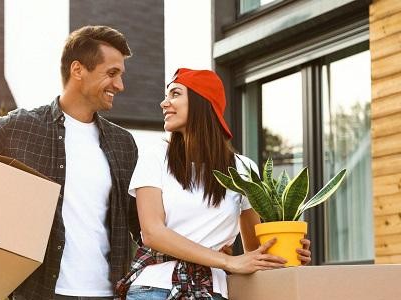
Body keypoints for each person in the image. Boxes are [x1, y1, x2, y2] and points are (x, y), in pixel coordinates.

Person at [0, 25, 138, 300]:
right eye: (111, 74)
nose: (120, 86)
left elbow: (142, 225)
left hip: (108, 294)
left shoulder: (123, 144)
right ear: (78, 70)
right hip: (38, 292)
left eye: (120, 75)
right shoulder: (23, 127)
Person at [122, 68, 312, 300]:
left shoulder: (242, 168)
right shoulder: (155, 157)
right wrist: (228, 261)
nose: (164, 103)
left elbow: (254, 250)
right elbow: (153, 233)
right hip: (154, 290)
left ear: (202, 102)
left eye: (175, 94)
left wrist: (289, 252)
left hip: (211, 292)